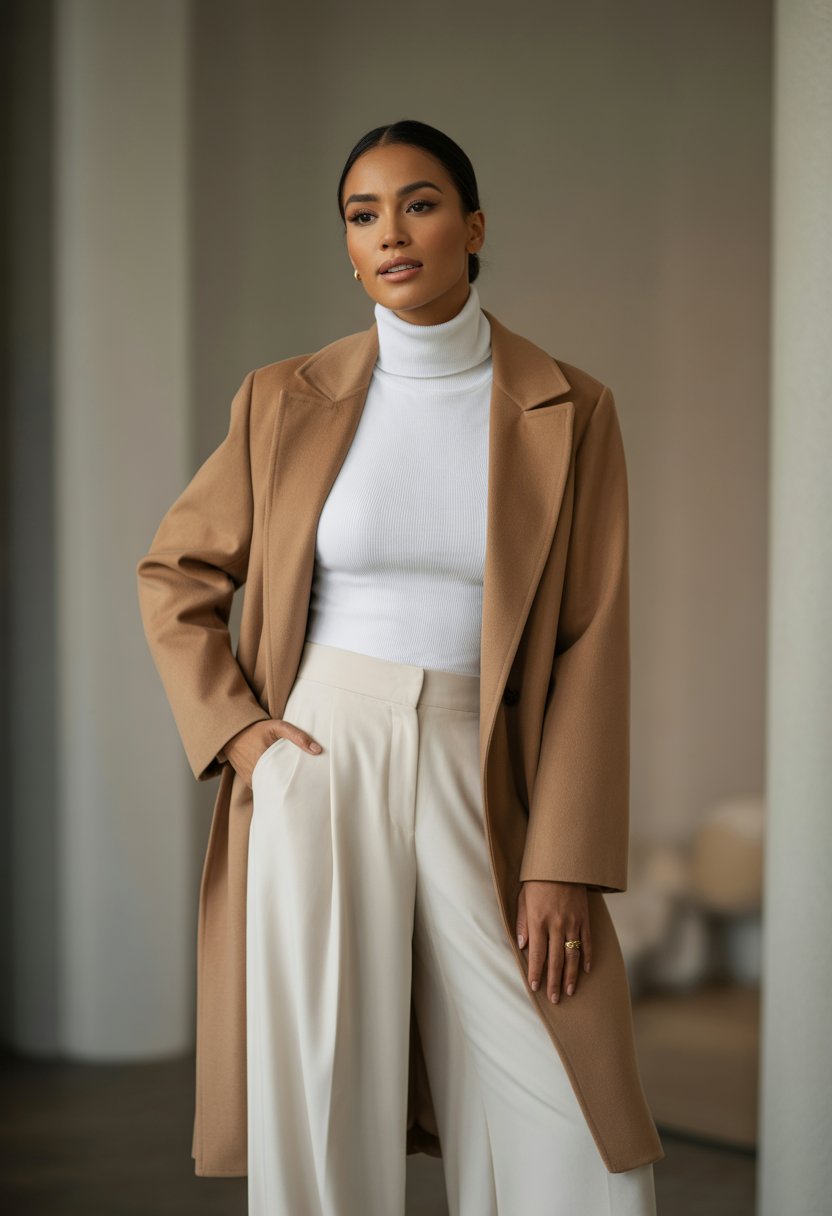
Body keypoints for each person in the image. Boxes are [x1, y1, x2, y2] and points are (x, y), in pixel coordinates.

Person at [137, 118, 663, 1215]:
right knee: (321, 1084)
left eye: (418, 204)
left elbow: (591, 640)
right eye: (362, 214)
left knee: (563, 1097)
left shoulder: (572, 408)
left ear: (472, 227)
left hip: (490, 763)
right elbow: (176, 572)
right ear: (346, 241)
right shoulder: (281, 398)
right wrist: (241, 736)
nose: (391, 233)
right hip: (323, 748)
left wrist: (562, 857)